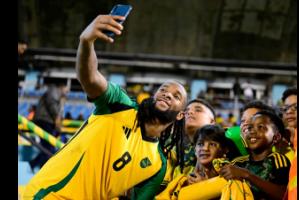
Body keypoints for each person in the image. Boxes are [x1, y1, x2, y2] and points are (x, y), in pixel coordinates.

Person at [23, 14, 188, 200]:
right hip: (48, 195)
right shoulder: (122, 105)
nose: (167, 94)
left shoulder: (157, 165)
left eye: (176, 96)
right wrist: (86, 42)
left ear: (181, 115)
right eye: (163, 90)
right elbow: (91, 77)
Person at [219, 110, 291, 200]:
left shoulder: (279, 161)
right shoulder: (237, 163)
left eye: (260, 127)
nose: (252, 131)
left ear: (276, 138)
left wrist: (247, 175)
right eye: (250, 128)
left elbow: (283, 194)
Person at [156, 125, 240, 199]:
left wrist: (205, 187)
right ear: (195, 149)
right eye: (200, 144)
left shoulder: (230, 177)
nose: (205, 148)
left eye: (212, 144)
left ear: (224, 150)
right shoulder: (180, 172)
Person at [28, 83, 68, 171]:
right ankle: (37, 165)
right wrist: (57, 118)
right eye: (66, 89)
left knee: (48, 147)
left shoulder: (60, 97)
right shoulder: (53, 90)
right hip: (44, 120)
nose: (67, 91)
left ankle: (36, 165)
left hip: (49, 122)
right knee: (49, 147)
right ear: (61, 86)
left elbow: (59, 113)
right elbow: (52, 106)